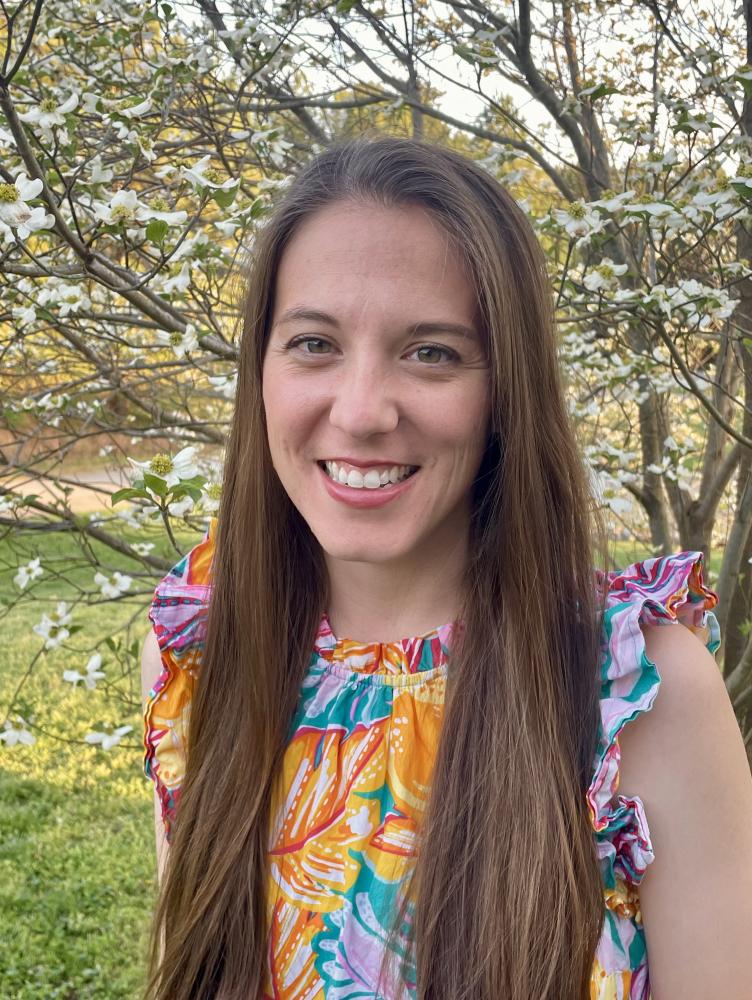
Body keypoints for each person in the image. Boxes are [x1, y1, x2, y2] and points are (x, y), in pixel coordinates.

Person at [140, 135, 752, 1000]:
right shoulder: (199, 652)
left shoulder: (638, 695)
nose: (360, 412)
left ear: (507, 390)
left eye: (431, 352)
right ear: (260, 373)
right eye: (314, 343)